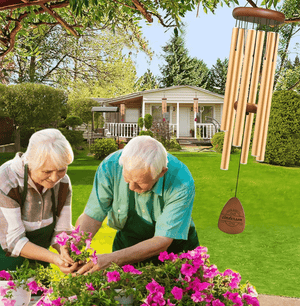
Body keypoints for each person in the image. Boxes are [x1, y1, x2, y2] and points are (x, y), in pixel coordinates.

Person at [74, 135, 199, 274]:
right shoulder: (111, 166)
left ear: (162, 172)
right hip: (127, 244)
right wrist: (76, 245)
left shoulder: (181, 181)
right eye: (127, 179)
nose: (132, 188)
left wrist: (112, 259)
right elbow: (93, 215)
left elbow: (163, 239)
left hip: (174, 250)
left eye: (140, 183)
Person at [0, 128, 76, 273]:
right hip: (5, 270)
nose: (55, 178)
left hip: (40, 269)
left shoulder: (63, 182)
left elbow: (62, 230)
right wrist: (55, 259)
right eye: (47, 171)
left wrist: (64, 251)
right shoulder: (7, 181)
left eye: (61, 169)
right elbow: (14, 241)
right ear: (30, 162)